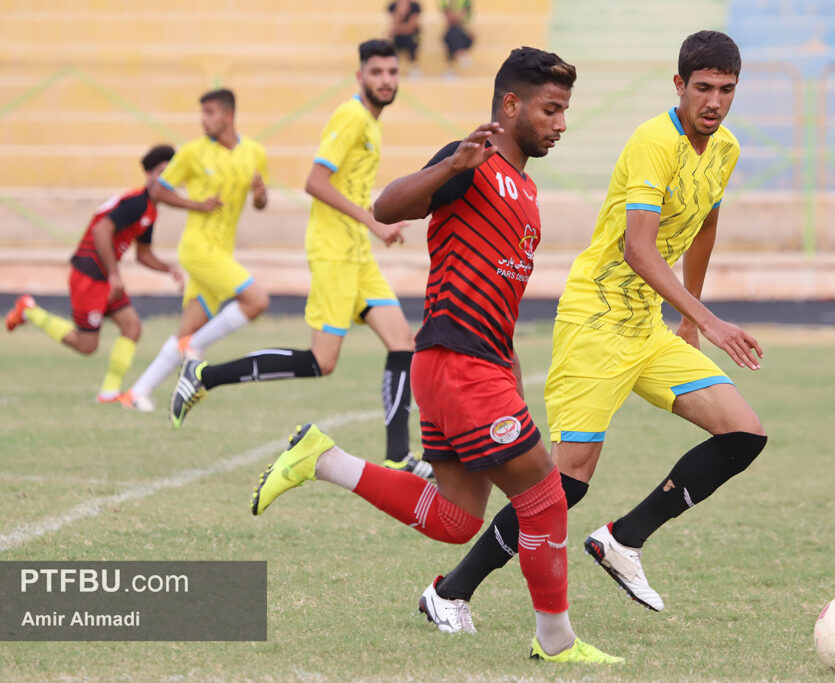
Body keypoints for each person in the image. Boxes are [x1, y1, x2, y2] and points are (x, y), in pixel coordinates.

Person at [248, 47, 621, 665]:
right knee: (546, 497)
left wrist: (515, 383)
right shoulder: (472, 161)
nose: (560, 123)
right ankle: (556, 642)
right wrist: (451, 164)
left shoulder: (526, 191)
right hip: (457, 362)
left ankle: (324, 459)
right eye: (550, 109)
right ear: (510, 104)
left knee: (454, 518)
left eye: (564, 111)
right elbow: (387, 206)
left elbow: (501, 303)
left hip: (469, 367)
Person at [417, 30, 768, 631]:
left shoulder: (726, 148)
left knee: (743, 434)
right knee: (564, 484)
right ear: (679, 86)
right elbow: (638, 249)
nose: (714, 101)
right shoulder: (655, 141)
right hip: (597, 320)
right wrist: (710, 320)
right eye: (703, 88)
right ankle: (450, 592)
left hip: (648, 326)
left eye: (727, 90)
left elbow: (707, 223)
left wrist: (689, 316)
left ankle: (623, 540)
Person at [168, 40, 429, 478]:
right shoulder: (350, 116)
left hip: (357, 254)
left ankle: (398, 455)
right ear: (360, 76)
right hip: (333, 253)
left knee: (404, 343)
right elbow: (315, 181)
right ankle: (204, 375)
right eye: (377, 72)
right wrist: (375, 222)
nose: (386, 80)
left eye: (392, 72)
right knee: (321, 362)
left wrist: (371, 227)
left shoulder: (370, 120)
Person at [120, 89, 270, 412]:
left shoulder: (255, 152)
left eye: (210, 112)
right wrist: (196, 204)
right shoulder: (192, 152)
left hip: (221, 252)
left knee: (187, 329)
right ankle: (194, 353)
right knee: (257, 300)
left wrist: (260, 194)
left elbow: (260, 203)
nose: (204, 119)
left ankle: (137, 392)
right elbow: (157, 190)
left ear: (228, 116)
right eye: (202, 113)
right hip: (198, 249)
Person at [6, 145, 182, 403]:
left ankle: (109, 392)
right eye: (161, 172)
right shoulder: (135, 202)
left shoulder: (149, 210)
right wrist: (114, 274)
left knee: (132, 327)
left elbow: (143, 254)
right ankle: (29, 309)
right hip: (90, 272)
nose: (166, 179)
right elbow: (101, 230)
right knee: (87, 345)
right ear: (149, 175)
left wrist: (170, 269)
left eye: (171, 174)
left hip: (104, 274)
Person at [387, 1, 422, 76]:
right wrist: (400, 13)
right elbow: (395, 23)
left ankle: (414, 67)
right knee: (395, 41)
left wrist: (396, 30)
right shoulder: (393, 6)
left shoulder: (415, 6)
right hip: (399, 36)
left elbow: (411, 26)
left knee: (412, 40)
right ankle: (394, 67)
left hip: (413, 36)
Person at [440, 0, 473, 76]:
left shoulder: (465, 1)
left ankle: (450, 69)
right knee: (452, 33)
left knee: (453, 32)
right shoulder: (444, 2)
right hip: (451, 33)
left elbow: (458, 18)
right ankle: (459, 53)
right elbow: (452, 18)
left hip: (464, 34)